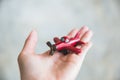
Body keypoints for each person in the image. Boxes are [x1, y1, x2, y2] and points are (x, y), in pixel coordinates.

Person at [18, 26, 93, 80]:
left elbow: (78, 50)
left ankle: (77, 39)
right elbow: (56, 39)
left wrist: (76, 48)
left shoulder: (66, 44)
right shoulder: (58, 43)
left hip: (70, 43)